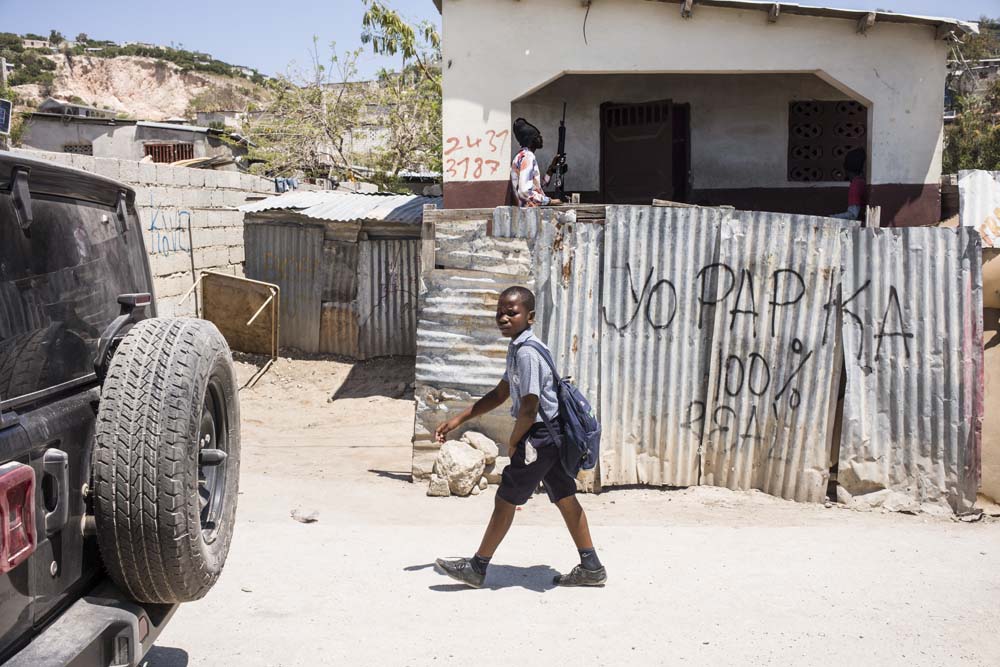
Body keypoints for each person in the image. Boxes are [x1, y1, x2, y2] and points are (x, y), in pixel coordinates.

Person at [433, 286, 606, 589]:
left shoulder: (527, 352)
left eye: (511, 312)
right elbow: (501, 393)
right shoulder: (519, 347)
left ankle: (477, 567)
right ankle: (591, 566)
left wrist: (515, 441)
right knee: (565, 497)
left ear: (530, 317)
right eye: (500, 311)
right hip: (550, 436)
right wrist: (459, 419)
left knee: (506, 498)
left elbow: (529, 405)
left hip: (537, 438)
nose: (503, 317)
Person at [510, 118, 563, 207]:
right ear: (531, 140)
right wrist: (549, 201)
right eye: (538, 136)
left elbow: (536, 187)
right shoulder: (528, 157)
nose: (541, 138)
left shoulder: (521, 156)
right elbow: (525, 192)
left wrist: (550, 169)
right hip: (528, 212)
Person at [832, 148, 867, 220]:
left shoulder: (856, 184)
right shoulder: (863, 181)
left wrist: (831, 218)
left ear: (846, 170)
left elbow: (853, 214)